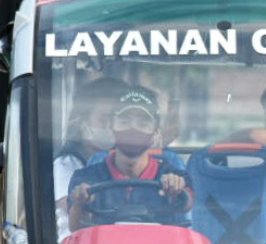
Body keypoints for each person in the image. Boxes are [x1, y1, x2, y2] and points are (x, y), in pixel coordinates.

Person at [68, 88, 194, 232]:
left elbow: (187, 204)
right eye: (124, 121)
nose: (132, 129)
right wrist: (80, 202)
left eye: (143, 123)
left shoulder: (176, 176)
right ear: (111, 125)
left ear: (156, 132)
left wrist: (176, 190)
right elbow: (76, 231)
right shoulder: (85, 178)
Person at [53, 76, 129, 239]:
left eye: (117, 118)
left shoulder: (130, 161)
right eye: (104, 119)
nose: (111, 126)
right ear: (82, 123)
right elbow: (72, 207)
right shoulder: (67, 165)